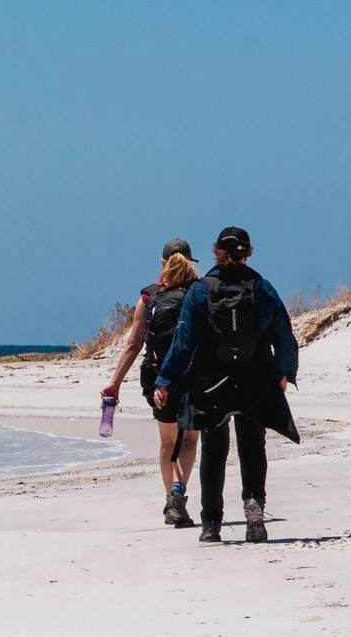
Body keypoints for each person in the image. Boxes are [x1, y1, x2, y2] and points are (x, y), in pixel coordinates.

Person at [153, 225, 300, 543]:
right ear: (249, 253)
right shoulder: (261, 287)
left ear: (215, 252)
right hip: (255, 378)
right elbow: (284, 334)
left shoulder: (200, 290)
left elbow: (183, 341)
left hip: (211, 382)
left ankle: (211, 524)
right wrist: (286, 372)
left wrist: (165, 380)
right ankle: (253, 504)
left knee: (213, 451)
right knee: (252, 446)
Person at [100, 240, 203, 528]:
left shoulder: (149, 297)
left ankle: (170, 496)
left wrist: (115, 383)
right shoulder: (198, 292)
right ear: (191, 261)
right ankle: (178, 494)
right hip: (192, 377)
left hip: (158, 378)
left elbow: (133, 344)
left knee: (167, 441)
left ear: (162, 262)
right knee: (190, 439)